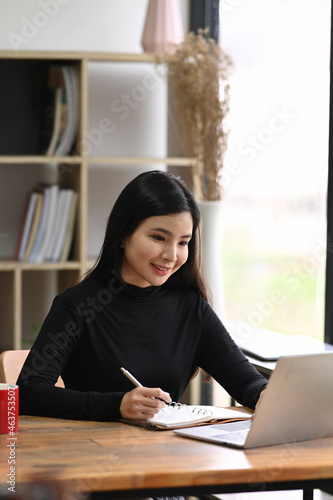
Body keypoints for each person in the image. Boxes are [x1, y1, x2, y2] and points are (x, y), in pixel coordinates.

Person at [17, 170, 267, 422]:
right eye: (159, 237)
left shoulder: (191, 307)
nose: (171, 255)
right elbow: (27, 393)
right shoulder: (77, 306)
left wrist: (267, 395)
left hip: (164, 454)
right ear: (124, 235)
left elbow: (246, 382)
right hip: (93, 452)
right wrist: (116, 405)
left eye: (183, 242)